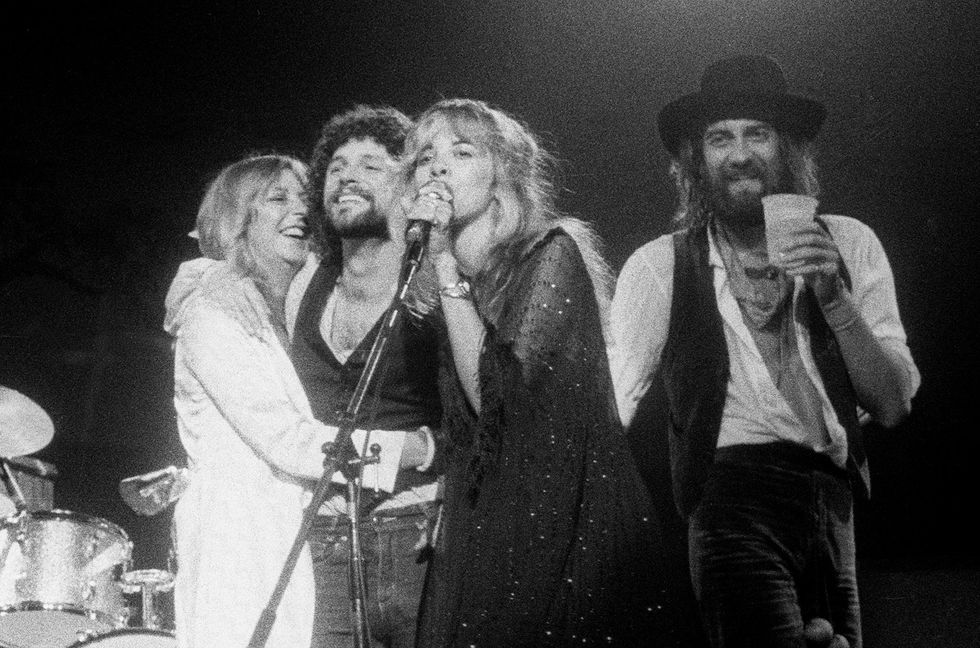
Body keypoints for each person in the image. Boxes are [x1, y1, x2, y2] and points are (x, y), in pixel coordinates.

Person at [610, 55, 921, 648]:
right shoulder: (659, 266)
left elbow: (893, 404)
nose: (739, 153)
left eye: (758, 133)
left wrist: (833, 296)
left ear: (788, 149)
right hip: (731, 497)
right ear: (697, 160)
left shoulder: (851, 243)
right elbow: (613, 403)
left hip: (833, 500)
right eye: (720, 137)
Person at [403, 98, 684, 647]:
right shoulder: (454, 285)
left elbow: (498, 399)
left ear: (502, 176)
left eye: (461, 153)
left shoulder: (551, 255)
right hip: (483, 523)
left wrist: (443, 267)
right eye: (424, 157)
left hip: (563, 527)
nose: (436, 168)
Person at [165, 106, 442, 648]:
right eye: (277, 199)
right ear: (237, 219)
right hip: (247, 539)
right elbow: (288, 440)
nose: (300, 208)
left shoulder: (277, 306)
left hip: (332, 539)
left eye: (299, 196)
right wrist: (416, 451)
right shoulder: (216, 308)